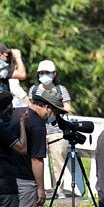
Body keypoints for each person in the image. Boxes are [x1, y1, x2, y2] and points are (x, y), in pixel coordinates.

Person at [7, 89, 68, 207]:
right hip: (24, 177)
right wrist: (41, 187)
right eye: (55, 112)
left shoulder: (16, 113)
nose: (54, 116)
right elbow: (37, 159)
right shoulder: (38, 123)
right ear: (47, 107)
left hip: (7, 173)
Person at [27, 60, 72, 195]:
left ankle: (59, 189)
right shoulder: (34, 90)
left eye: (47, 73)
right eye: (41, 73)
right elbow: (30, 107)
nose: (44, 75)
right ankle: (41, 188)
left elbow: (68, 108)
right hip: (37, 129)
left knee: (58, 160)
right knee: (37, 159)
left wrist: (54, 112)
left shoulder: (60, 89)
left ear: (54, 74)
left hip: (57, 131)